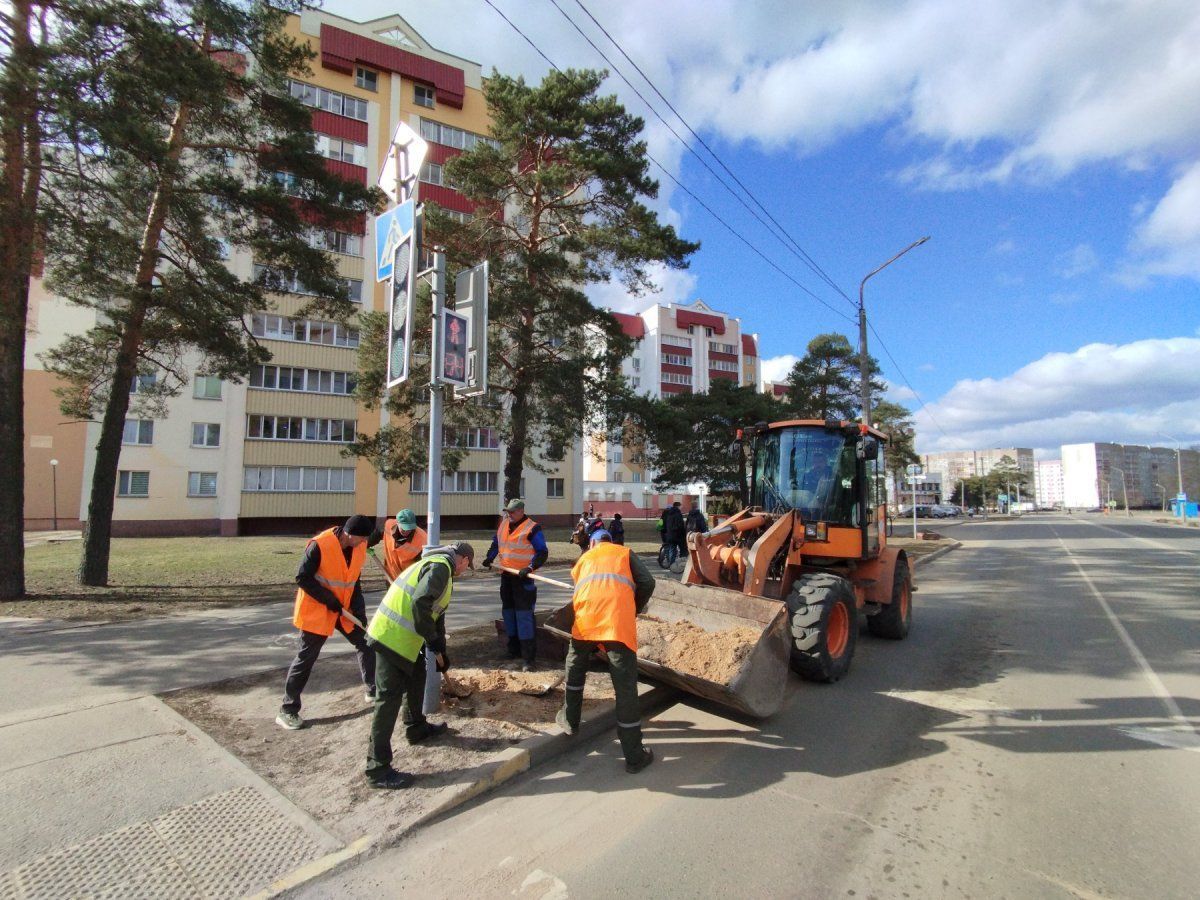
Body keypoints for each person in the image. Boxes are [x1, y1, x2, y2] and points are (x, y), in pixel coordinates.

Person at [364, 541, 475, 789]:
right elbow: (419, 603)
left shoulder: (444, 571)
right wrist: (432, 640)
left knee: (417, 678)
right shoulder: (439, 567)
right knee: (388, 700)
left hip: (407, 640)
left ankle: (416, 727)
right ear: (464, 560)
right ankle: (377, 769)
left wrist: (441, 649)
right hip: (390, 638)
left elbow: (436, 614)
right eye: (467, 566)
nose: (465, 571)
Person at [556, 529, 656, 774]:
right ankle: (634, 757)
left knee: (574, 671)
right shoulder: (624, 553)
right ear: (611, 541)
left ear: (592, 543)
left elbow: (583, 590)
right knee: (625, 689)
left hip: (585, 623)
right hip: (616, 625)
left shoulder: (584, 559)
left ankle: (570, 721)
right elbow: (648, 582)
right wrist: (633, 608)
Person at [277, 515, 380, 731]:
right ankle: (287, 710)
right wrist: (328, 599)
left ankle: (373, 690)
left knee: (366, 642)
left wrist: (359, 612)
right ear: (349, 534)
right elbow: (302, 577)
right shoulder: (320, 545)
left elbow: (354, 581)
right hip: (317, 608)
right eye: (362, 538)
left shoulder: (359, 547)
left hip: (343, 609)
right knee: (307, 657)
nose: (364, 542)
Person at [482, 499, 549, 670]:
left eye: (512, 512)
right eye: (507, 512)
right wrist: (490, 557)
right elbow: (497, 543)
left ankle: (528, 658)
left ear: (521, 511)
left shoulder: (532, 528)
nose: (509, 515)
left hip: (523, 578)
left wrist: (530, 567)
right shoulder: (504, 524)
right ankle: (513, 649)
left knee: (524, 616)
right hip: (506, 576)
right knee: (509, 614)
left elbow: (542, 552)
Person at [378, 507, 427, 582]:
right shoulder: (389, 525)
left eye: (409, 528)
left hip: (408, 579)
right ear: (397, 523)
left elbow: (421, 565)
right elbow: (377, 534)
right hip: (390, 574)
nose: (406, 531)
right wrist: (367, 544)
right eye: (404, 528)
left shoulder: (422, 539)